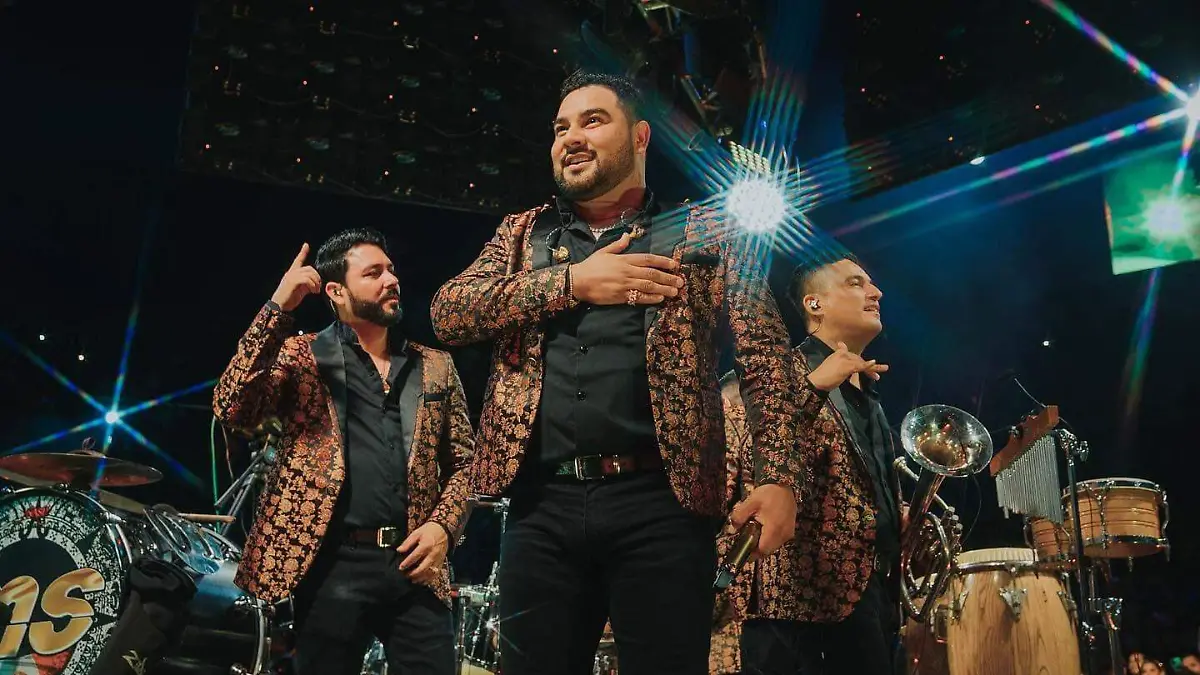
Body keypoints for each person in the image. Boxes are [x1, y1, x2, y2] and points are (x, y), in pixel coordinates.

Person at [430, 70, 801, 675]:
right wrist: (573, 283)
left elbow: (765, 357)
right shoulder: (522, 234)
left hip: (663, 504)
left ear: (641, 137)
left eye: (592, 121)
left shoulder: (705, 231)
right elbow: (449, 312)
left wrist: (780, 478)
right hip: (540, 506)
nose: (570, 138)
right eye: (560, 128)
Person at [213, 228, 475, 675]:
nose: (391, 279)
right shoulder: (302, 357)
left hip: (417, 564)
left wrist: (444, 528)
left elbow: (467, 463)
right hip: (332, 564)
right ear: (336, 291)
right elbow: (231, 405)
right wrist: (278, 307)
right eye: (373, 273)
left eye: (391, 269)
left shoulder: (435, 365)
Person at [739, 255, 905, 675]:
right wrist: (815, 385)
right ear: (815, 304)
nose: (875, 292)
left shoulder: (868, 389)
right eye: (856, 283)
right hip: (802, 612)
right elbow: (750, 458)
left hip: (872, 597)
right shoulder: (778, 372)